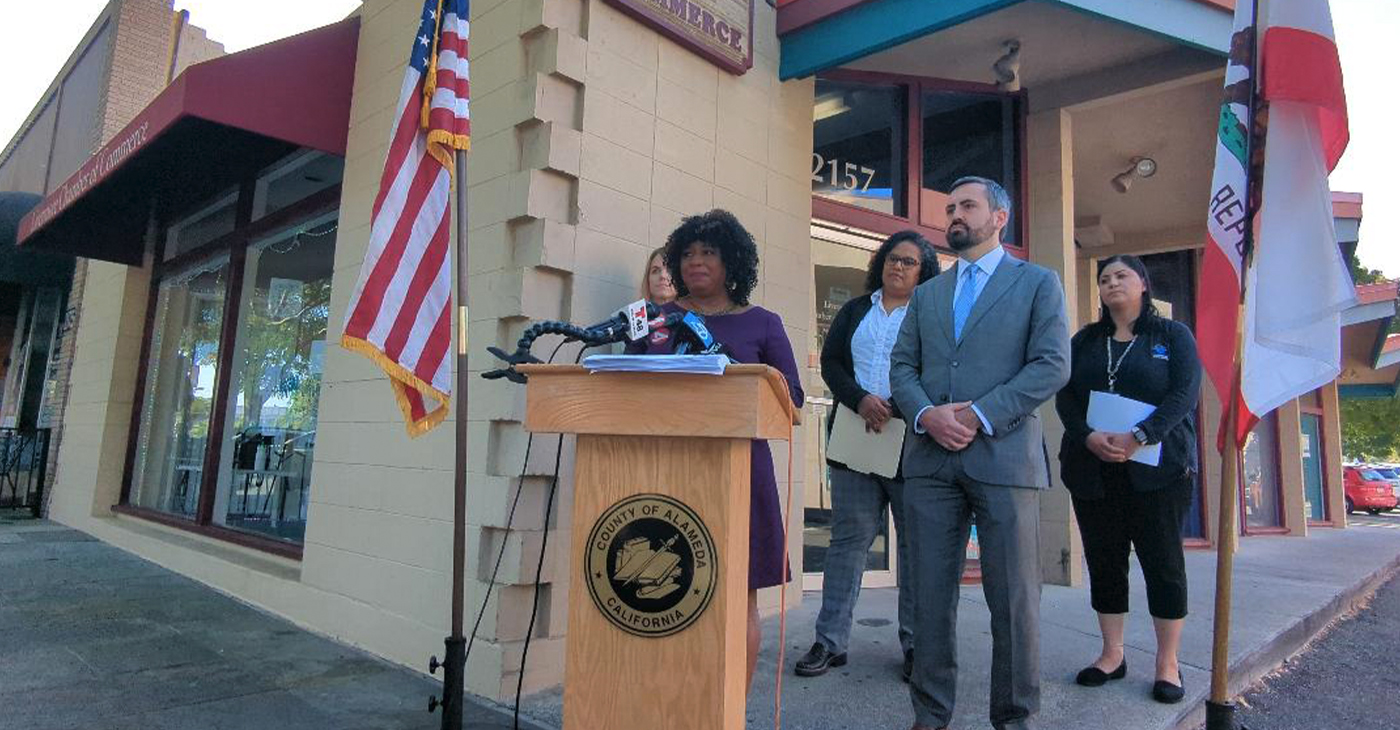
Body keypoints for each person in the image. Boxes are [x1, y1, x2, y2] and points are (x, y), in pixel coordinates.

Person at [889, 176, 1070, 730]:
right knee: (928, 598)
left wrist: (976, 414)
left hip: (1004, 458)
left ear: (1000, 217)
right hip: (930, 463)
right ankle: (930, 715)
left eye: (968, 205)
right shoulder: (927, 294)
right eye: (950, 208)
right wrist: (927, 414)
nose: (955, 215)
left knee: (1013, 601)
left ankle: (1014, 719)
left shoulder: (1038, 283)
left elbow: (1050, 365)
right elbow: (902, 368)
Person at [625, 209, 803, 691]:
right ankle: (671, 702)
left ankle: (731, 710)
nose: (695, 261)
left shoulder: (763, 324)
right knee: (665, 591)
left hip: (740, 472)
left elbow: (794, 402)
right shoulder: (652, 320)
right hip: (665, 471)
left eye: (708, 252)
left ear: (734, 262)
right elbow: (626, 389)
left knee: (734, 597)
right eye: (687, 253)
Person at [1054, 255, 1201, 705]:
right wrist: (1087, 436)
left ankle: (1167, 663)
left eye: (1121, 275)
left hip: (1158, 471)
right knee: (1104, 561)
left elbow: (1185, 392)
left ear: (1143, 284)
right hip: (1095, 469)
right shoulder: (1086, 341)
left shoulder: (1172, 336)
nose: (1111, 283)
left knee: (1163, 564)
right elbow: (1066, 394)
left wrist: (1143, 435)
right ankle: (1112, 655)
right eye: (1103, 278)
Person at [795, 230, 940, 682]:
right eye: (892, 259)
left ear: (924, 272)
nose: (898, 267)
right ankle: (829, 641)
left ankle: (916, 646)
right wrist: (860, 399)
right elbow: (833, 361)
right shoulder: (857, 310)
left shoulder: (931, 315)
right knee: (847, 544)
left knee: (915, 550)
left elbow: (936, 371)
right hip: (855, 440)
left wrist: (896, 408)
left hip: (910, 444)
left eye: (909, 262)